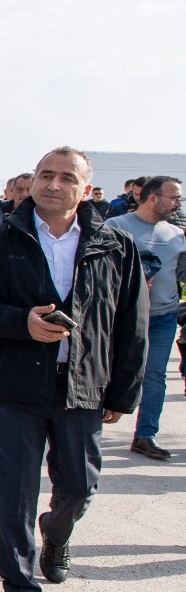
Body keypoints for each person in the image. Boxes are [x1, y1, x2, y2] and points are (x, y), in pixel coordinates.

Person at [0, 147, 147, 592]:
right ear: (33, 180)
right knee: (15, 493)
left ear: (85, 188)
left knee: (79, 488)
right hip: (16, 384)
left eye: (66, 177)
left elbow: (131, 323)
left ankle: (56, 534)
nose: (53, 185)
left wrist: (122, 395)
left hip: (83, 387)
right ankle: (18, 588)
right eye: (45, 175)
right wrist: (22, 322)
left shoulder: (115, 245)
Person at [105, 175, 186, 460]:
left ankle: (145, 435)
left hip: (162, 317)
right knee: (107, 371)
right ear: (152, 198)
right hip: (121, 317)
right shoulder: (116, 227)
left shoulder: (176, 235)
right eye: (174, 197)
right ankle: (86, 426)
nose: (178, 202)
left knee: (155, 376)